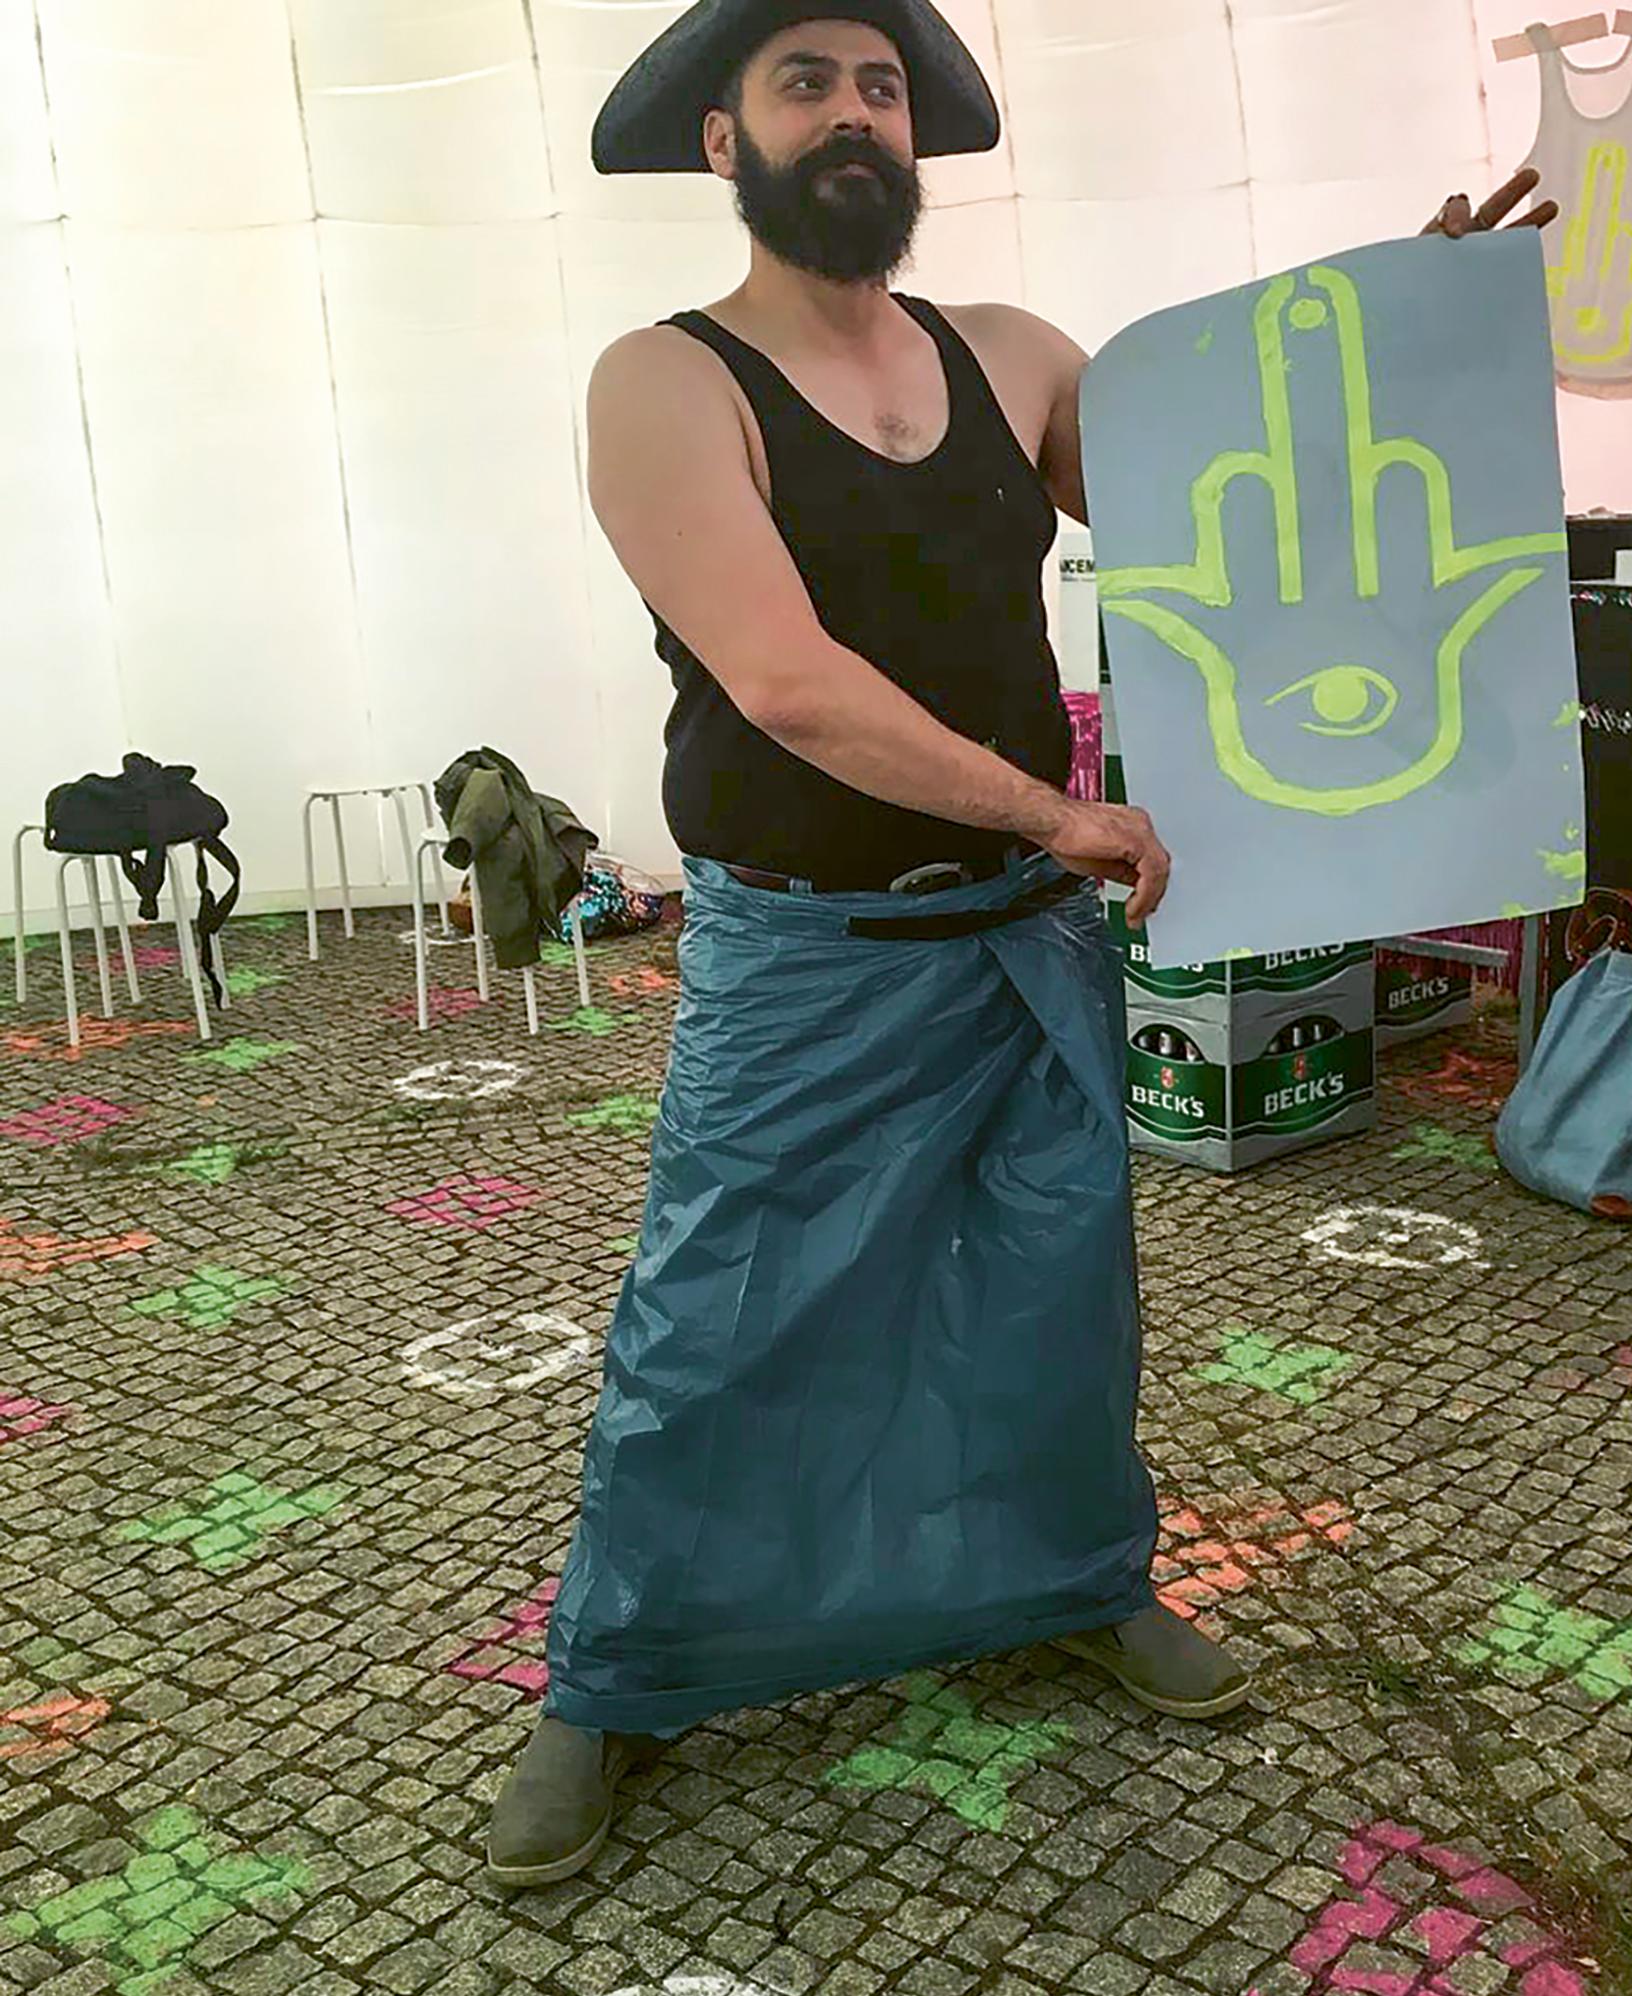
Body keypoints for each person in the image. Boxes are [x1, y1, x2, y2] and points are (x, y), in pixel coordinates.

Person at [485, 0, 1556, 1888]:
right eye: (805, 83)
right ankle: (620, 1670)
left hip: (1020, 944)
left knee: (1048, 1289)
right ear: (724, 141)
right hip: (806, 955)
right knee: (724, 1317)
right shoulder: (664, 383)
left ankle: (1071, 1579)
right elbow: (787, 683)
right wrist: (1058, 810)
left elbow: (1248, 512)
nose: (853, 115)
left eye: (880, 86)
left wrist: (1410, 326)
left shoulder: (1014, 356)